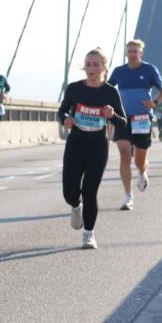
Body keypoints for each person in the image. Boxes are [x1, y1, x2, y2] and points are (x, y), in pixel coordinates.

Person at [58, 48, 127, 249]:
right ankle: (75, 205)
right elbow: (62, 111)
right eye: (88, 64)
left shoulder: (110, 92)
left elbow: (123, 123)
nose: (91, 68)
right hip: (75, 144)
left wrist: (112, 115)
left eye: (96, 64)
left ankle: (89, 234)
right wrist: (65, 119)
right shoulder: (74, 89)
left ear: (104, 68)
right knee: (69, 192)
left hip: (97, 146)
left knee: (90, 191)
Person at [107, 40, 162, 210]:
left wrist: (155, 102)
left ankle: (142, 172)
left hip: (142, 118)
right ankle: (128, 196)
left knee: (140, 161)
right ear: (126, 53)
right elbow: (108, 90)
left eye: (135, 51)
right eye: (130, 51)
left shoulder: (149, 70)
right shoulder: (119, 71)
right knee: (125, 155)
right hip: (123, 119)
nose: (132, 54)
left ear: (141, 53)